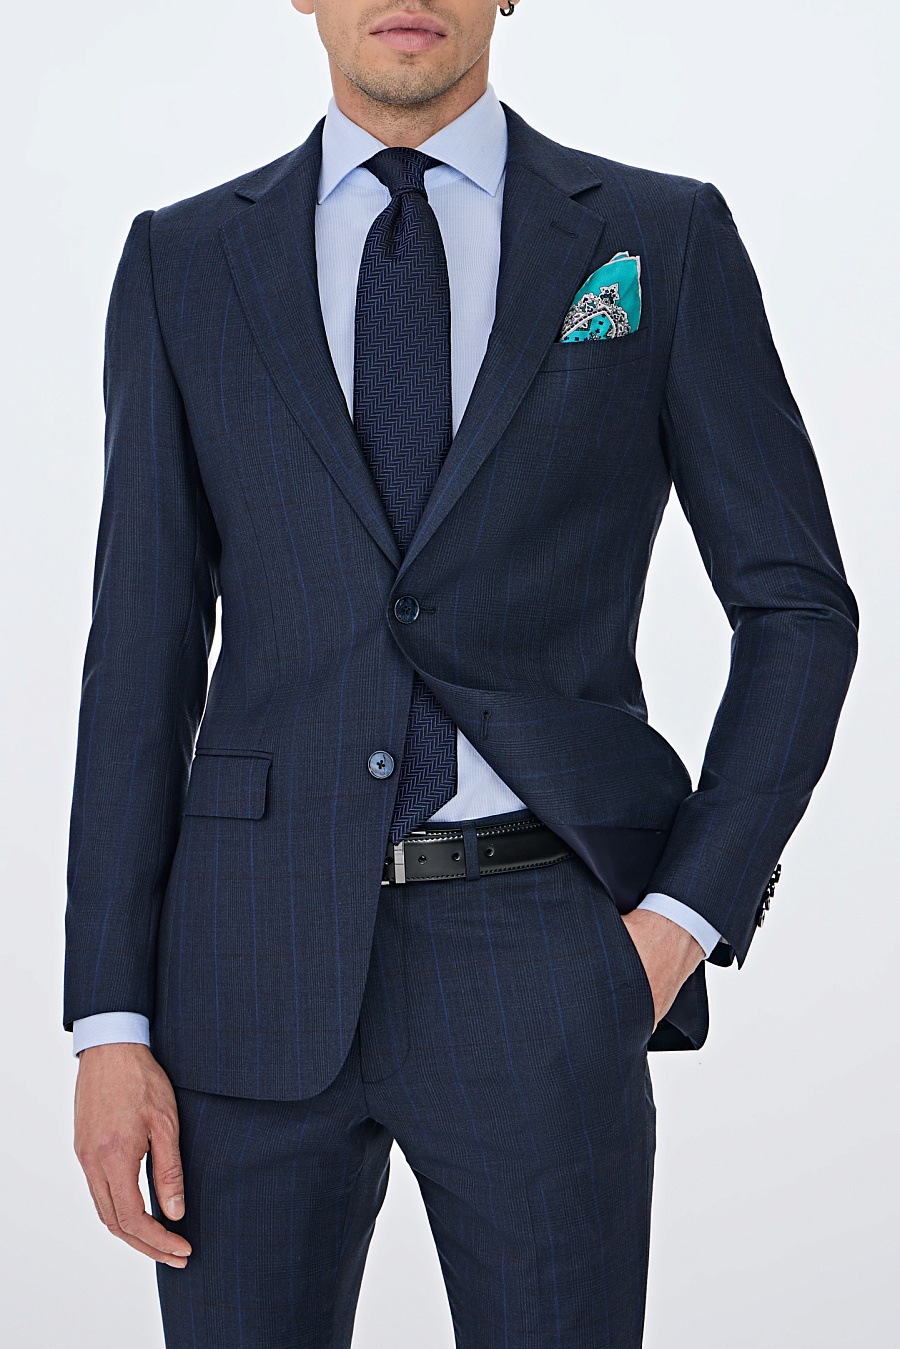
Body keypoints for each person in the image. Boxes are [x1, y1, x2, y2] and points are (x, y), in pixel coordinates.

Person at [65, 2, 858, 1345]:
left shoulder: (655, 237)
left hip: (543, 956)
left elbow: (798, 609)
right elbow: (137, 659)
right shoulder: (183, 261)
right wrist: (108, 1020)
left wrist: (681, 920)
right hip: (241, 971)